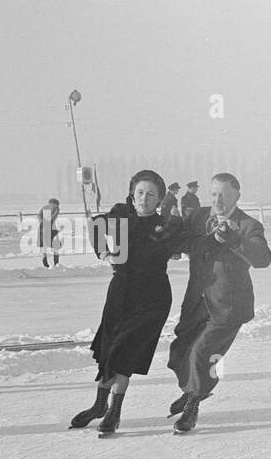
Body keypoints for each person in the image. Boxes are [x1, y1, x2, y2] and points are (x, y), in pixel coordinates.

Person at [69, 170, 187, 435]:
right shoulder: (121, 215)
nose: (144, 198)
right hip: (120, 293)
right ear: (132, 195)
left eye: (151, 194)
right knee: (109, 349)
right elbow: (94, 225)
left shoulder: (167, 225)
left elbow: (185, 244)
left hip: (151, 298)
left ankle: (114, 412)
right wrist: (102, 252)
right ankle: (99, 406)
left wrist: (176, 249)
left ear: (159, 200)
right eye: (140, 192)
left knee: (123, 353)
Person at [167, 172, 271, 433]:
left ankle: (193, 403)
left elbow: (263, 258)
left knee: (203, 353)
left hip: (229, 305)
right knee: (181, 349)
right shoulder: (198, 218)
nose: (218, 201)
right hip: (197, 300)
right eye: (213, 194)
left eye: (224, 196)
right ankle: (195, 389)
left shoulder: (248, 225)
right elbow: (179, 240)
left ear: (237, 196)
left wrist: (235, 240)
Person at [39, 197, 62, 267]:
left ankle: (46, 265)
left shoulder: (44, 208)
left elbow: (39, 217)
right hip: (49, 229)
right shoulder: (56, 208)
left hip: (43, 228)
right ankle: (56, 263)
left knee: (43, 248)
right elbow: (53, 218)